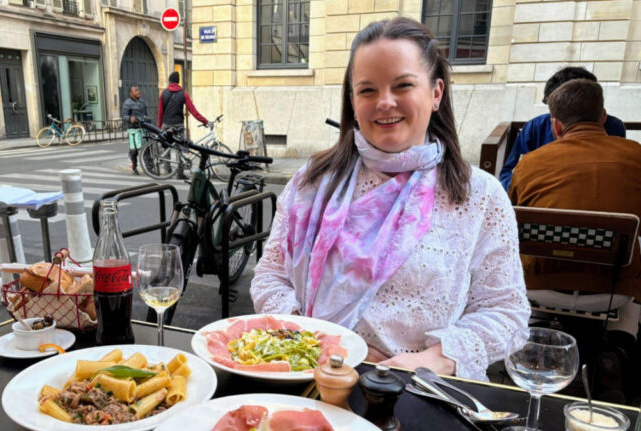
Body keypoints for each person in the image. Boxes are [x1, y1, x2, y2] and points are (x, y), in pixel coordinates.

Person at [250, 17, 530, 381]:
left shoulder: (480, 196)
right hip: (315, 375)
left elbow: (506, 311)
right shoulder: (311, 182)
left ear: (435, 93)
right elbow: (270, 276)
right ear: (352, 100)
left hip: (423, 390)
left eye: (403, 85)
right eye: (367, 90)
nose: (384, 102)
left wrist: (437, 359)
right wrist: (319, 341)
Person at [508, 79, 641, 400]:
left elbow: (510, 225)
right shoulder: (636, 157)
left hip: (540, 288)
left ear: (555, 125)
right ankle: (622, 340)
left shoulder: (530, 164)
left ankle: (534, 336)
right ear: (604, 117)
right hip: (611, 294)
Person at [498, 67, 626, 191]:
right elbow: (508, 174)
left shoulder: (614, 127)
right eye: (552, 106)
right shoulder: (534, 127)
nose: (555, 112)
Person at [121, 85, 147, 175]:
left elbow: (145, 114)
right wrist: (129, 118)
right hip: (133, 130)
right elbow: (124, 116)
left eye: (138, 90)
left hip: (143, 129)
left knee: (147, 148)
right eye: (136, 91)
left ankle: (150, 168)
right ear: (131, 93)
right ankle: (134, 168)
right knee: (134, 151)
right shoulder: (127, 103)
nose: (138, 92)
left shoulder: (142, 102)